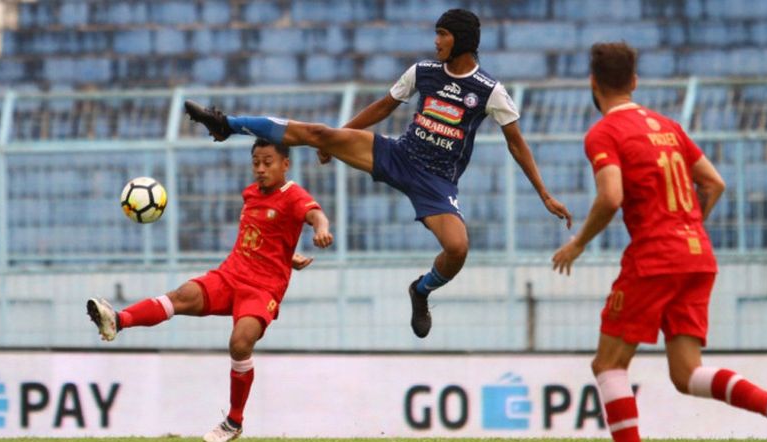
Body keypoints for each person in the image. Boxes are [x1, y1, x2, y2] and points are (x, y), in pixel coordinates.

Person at [184, 8, 572, 339]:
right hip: (398, 155)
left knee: (457, 248)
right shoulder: (423, 72)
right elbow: (385, 106)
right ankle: (225, 124)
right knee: (317, 131)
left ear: (463, 40)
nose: (436, 41)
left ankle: (421, 290)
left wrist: (544, 194)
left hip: (435, 182)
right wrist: (335, 140)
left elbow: (517, 143)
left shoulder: (489, 91)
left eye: (443, 34)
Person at [551, 42, 767, 442]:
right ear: (634, 82)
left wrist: (578, 242)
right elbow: (714, 183)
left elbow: (611, 196)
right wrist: (684, 228)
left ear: (593, 84)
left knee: (609, 365)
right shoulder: (668, 126)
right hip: (697, 254)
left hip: (654, 258)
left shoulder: (604, 132)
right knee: (687, 374)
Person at [86, 138, 333, 442]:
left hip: (262, 288)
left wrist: (320, 229)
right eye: (255, 162)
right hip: (230, 274)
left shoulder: (294, 195)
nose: (260, 168)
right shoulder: (251, 194)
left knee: (240, 343)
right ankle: (118, 320)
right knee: (182, 295)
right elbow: (265, 235)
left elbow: (314, 215)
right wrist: (286, 254)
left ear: (285, 164)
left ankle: (234, 421)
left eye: (267, 162)